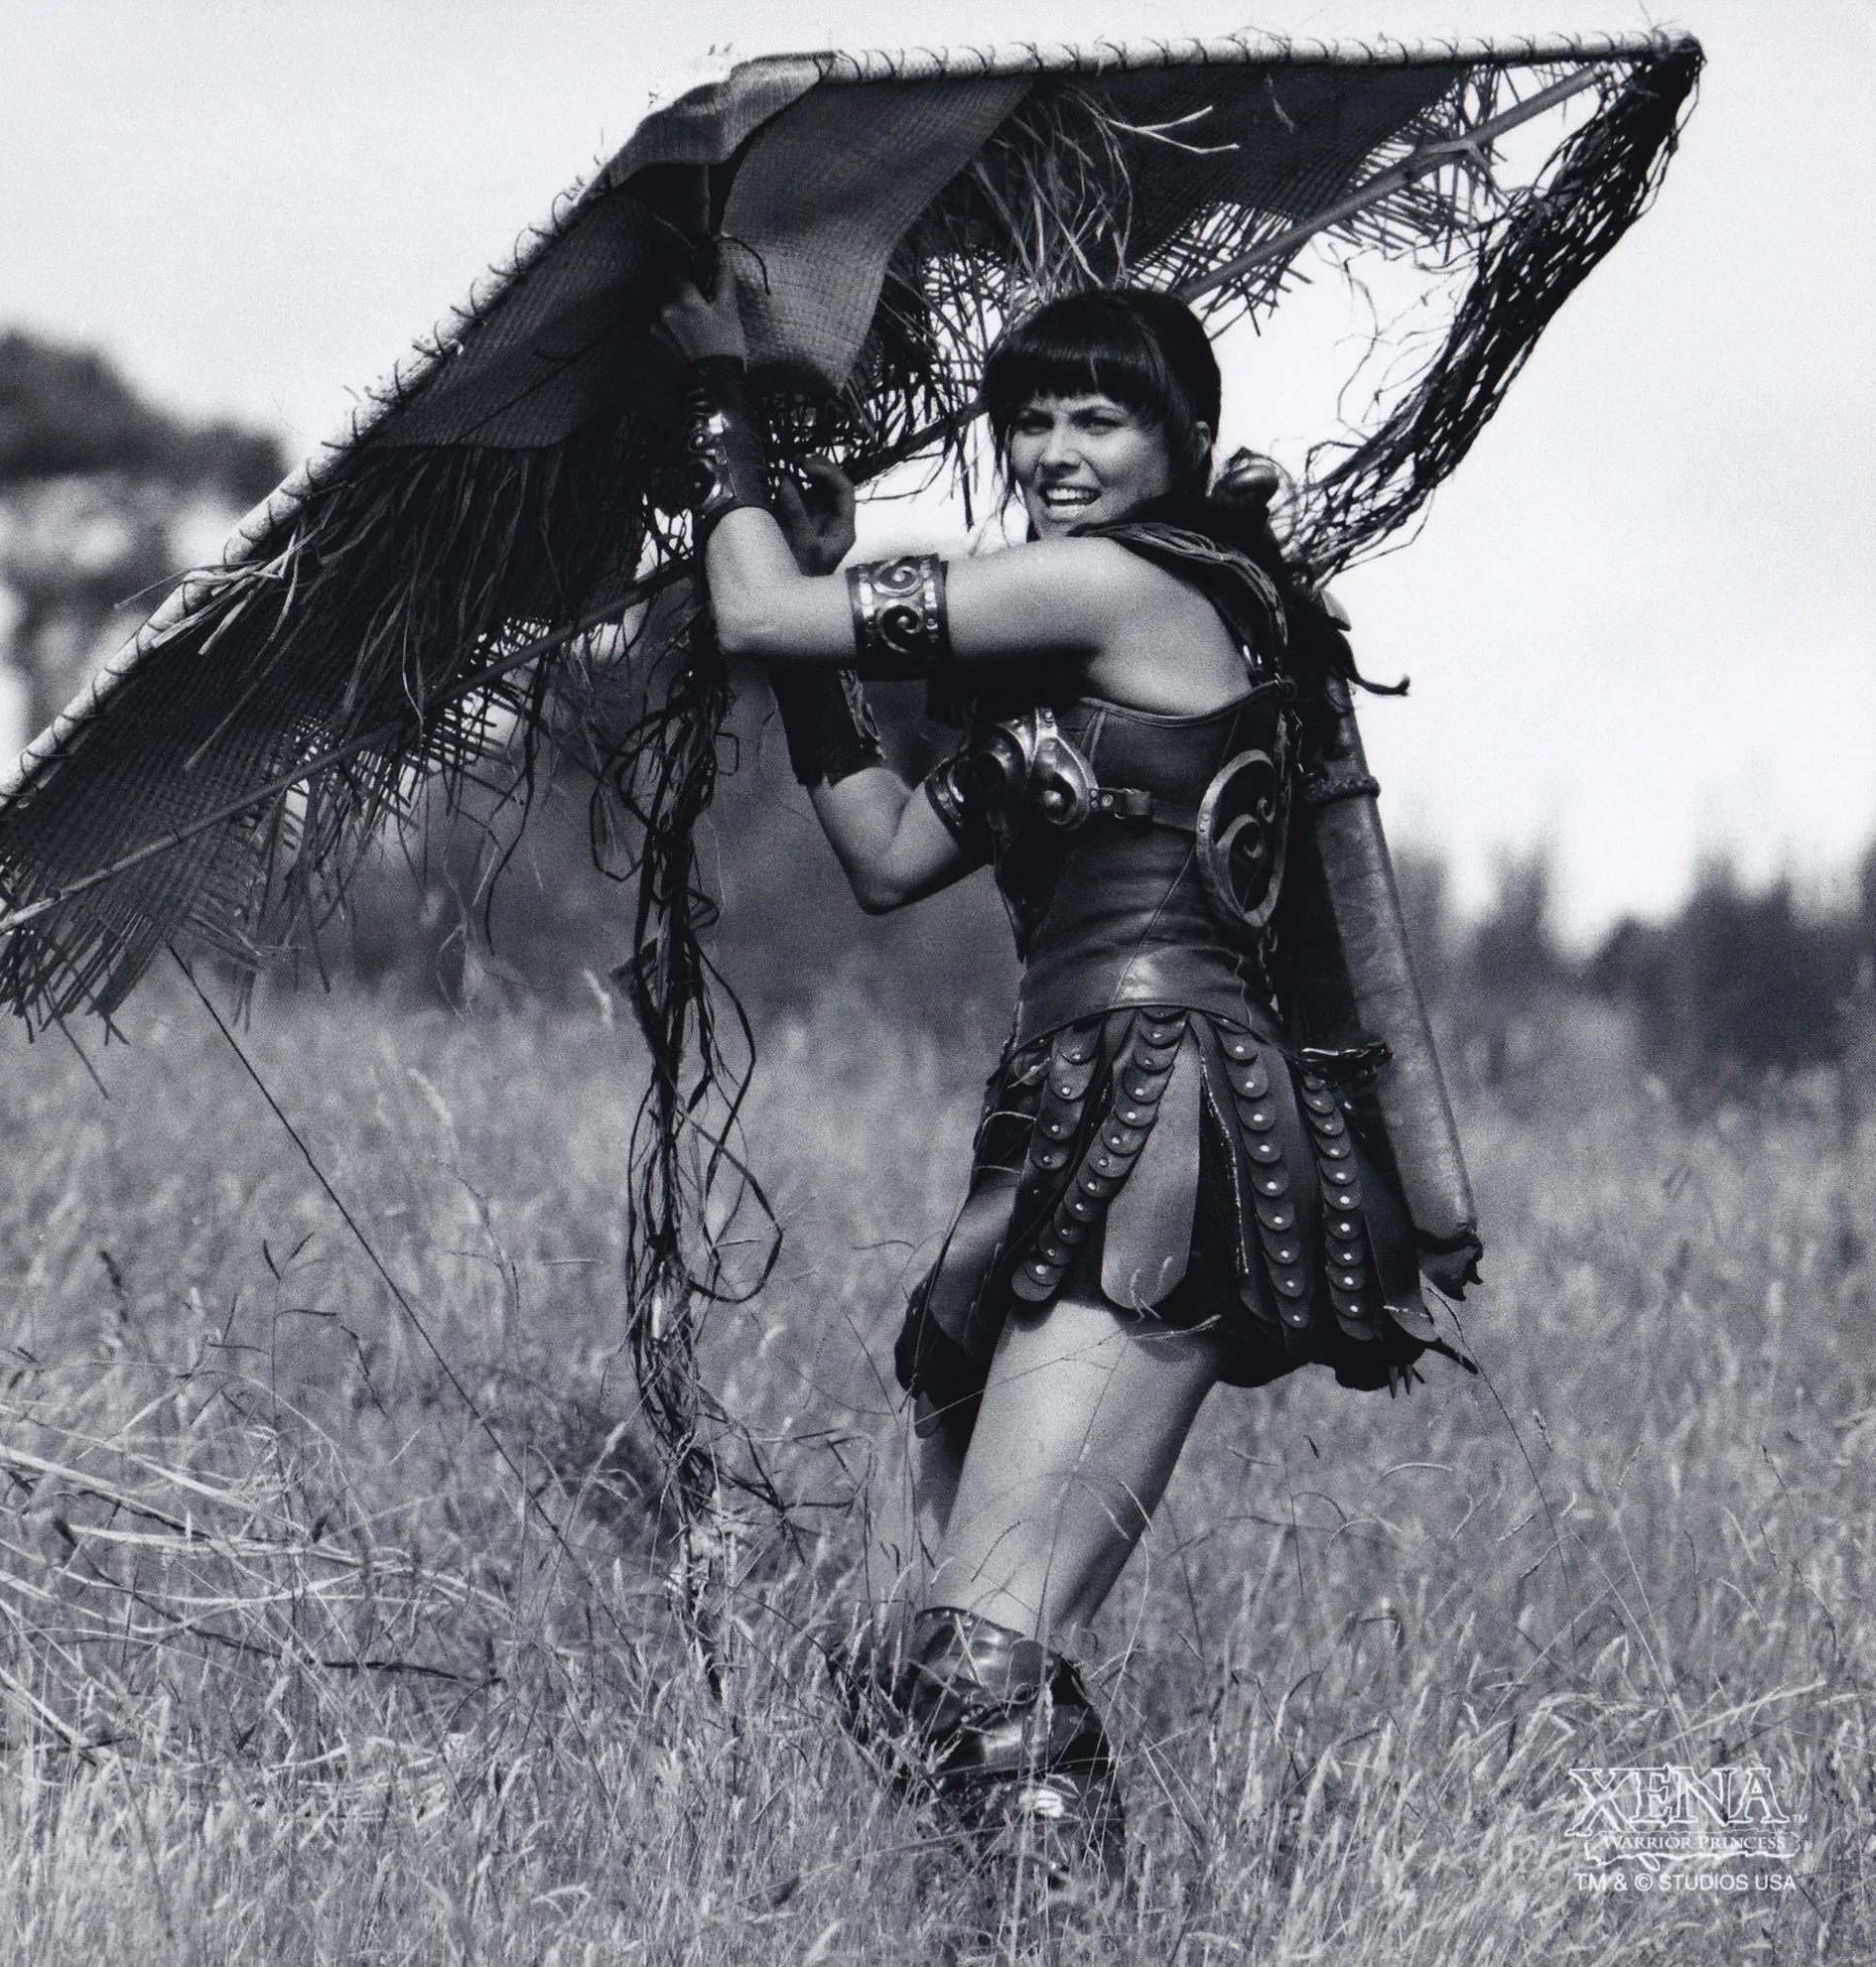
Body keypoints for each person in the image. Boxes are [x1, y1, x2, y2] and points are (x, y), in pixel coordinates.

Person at [655, 266, 1471, 1894]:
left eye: (1100, 417)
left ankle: (1080, 1933)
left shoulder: (1122, 590)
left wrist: (714, 409)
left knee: (976, 1658)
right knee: (933, 1674)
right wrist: (820, 640)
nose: (1054, 451)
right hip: (1075, 1115)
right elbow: (888, 852)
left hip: (1163, 1120)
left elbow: (751, 614)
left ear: (1186, 441)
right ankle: (1017, 1923)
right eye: (1029, 420)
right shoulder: (1085, 668)